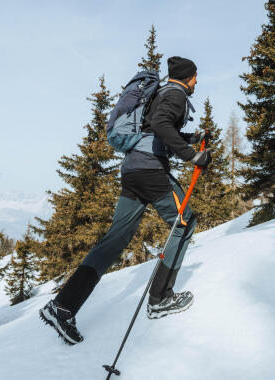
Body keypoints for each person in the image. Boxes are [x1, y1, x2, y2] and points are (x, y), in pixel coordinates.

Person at [39, 56, 212, 345]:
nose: (196, 81)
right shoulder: (176, 93)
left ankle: (63, 306)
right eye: (195, 76)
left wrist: (192, 137)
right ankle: (160, 299)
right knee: (184, 223)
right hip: (151, 170)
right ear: (186, 76)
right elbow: (159, 123)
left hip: (132, 170)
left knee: (114, 241)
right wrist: (191, 155)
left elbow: (153, 127)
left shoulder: (161, 93)